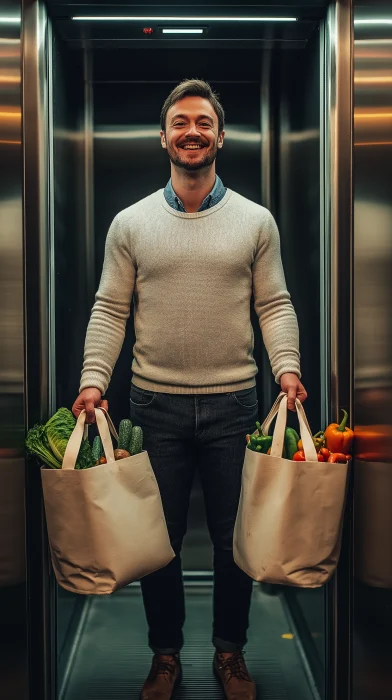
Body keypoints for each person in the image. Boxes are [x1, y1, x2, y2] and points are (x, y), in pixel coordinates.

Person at [72, 79, 307, 700]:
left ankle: (230, 653)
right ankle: (165, 656)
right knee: (161, 544)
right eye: (181, 122)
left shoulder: (256, 221)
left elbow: (275, 304)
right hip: (155, 404)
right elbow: (108, 310)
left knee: (235, 541)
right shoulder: (131, 224)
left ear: (220, 136)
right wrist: (93, 381)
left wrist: (287, 367)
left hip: (236, 405)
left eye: (203, 122)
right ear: (164, 137)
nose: (192, 131)